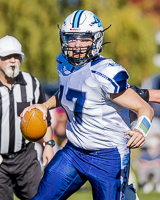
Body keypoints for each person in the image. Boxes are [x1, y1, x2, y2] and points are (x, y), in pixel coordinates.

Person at [21, 10, 154, 200]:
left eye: (83, 39)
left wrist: (140, 130)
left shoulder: (105, 72)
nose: (75, 44)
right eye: (71, 38)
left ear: (96, 40)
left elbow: (145, 109)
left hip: (108, 157)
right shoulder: (64, 64)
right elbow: (68, 93)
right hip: (74, 152)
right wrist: (45, 106)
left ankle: (127, 195)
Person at [0, 35, 54, 200]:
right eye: (7, 56)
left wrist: (49, 145)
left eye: (17, 56)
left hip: (26, 157)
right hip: (0, 161)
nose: (13, 60)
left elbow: (45, 119)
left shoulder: (33, 83)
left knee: (39, 197)